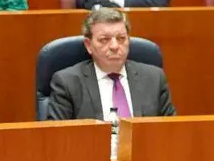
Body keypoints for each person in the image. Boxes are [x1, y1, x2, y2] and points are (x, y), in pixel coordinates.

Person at [44, 7, 176, 121]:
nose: (114, 46)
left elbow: (170, 131)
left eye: (121, 39)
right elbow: (57, 139)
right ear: (88, 45)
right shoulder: (67, 83)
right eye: (104, 40)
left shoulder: (154, 78)